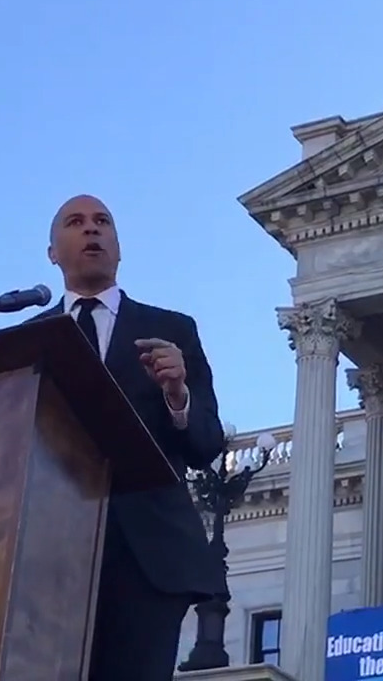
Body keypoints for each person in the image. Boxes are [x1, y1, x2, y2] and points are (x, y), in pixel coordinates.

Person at [32, 194, 228, 680]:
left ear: (119, 247)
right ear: (53, 251)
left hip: (146, 560)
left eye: (103, 222)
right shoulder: (28, 339)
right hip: (46, 557)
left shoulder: (170, 330)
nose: (91, 230)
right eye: (75, 223)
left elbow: (206, 443)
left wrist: (177, 394)